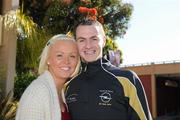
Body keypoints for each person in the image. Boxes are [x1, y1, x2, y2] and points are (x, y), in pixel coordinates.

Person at [65, 19, 152, 120]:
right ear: (76, 44)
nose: (88, 45)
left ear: (104, 41)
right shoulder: (69, 85)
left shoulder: (127, 79)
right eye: (82, 40)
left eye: (94, 39)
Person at [15, 34, 80, 120]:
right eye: (59, 55)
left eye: (72, 56)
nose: (66, 61)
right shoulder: (37, 92)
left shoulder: (60, 92)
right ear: (48, 59)